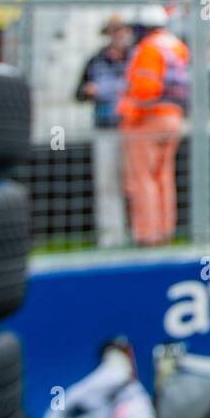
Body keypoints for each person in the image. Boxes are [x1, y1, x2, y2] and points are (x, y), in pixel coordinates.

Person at [116, 5, 189, 246]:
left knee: (142, 179)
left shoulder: (149, 48)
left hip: (148, 119)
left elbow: (145, 90)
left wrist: (129, 113)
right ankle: (165, 230)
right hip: (173, 116)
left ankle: (147, 235)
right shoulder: (177, 46)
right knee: (163, 177)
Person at [76, 14, 135, 247]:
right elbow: (78, 92)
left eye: (122, 30)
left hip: (133, 128)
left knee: (134, 182)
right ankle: (111, 237)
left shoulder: (135, 58)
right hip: (105, 127)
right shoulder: (95, 60)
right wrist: (89, 90)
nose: (119, 35)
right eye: (114, 31)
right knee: (108, 183)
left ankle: (138, 233)